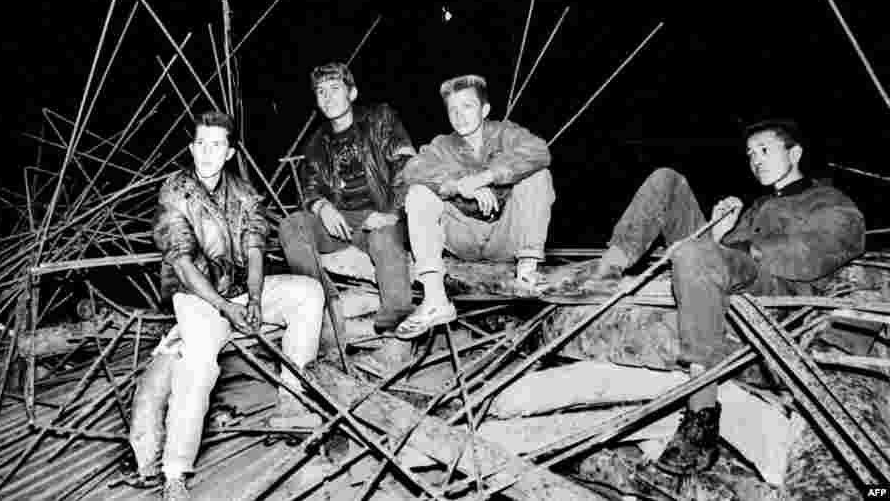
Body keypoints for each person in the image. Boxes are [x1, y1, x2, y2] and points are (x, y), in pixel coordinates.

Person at [589, 118, 864, 474]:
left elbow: (837, 240)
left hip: (776, 294)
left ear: (794, 153)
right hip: (727, 273)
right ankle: (609, 267)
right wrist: (719, 233)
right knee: (667, 180)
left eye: (765, 150)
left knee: (693, 253)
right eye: (751, 154)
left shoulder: (827, 200)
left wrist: (743, 247)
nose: (756, 160)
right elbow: (718, 260)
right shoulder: (759, 205)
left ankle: (702, 410)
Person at [128, 111, 325, 501]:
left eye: (216, 144)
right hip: (198, 297)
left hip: (238, 292)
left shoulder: (245, 194)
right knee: (198, 362)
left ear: (229, 152)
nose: (207, 152)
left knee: (308, 292)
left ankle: (291, 401)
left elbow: (254, 251)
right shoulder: (175, 192)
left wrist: (253, 298)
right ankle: (175, 474)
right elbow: (182, 265)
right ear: (191, 147)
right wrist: (225, 308)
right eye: (200, 143)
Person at [396, 74, 555, 339]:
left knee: (539, 175)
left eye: (467, 106)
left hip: (506, 237)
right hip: (463, 238)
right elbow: (412, 169)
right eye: (453, 109)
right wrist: (459, 184)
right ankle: (435, 299)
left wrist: (486, 177)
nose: (460, 115)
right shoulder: (442, 145)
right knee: (418, 193)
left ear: (485, 110)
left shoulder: (506, 133)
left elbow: (539, 151)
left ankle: (528, 271)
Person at [279, 63, 417, 352]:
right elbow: (308, 189)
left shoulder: (380, 120)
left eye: (335, 89)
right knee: (292, 226)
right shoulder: (317, 143)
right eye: (321, 92)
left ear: (352, 93)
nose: (327, 98)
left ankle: (398, 315)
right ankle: (325, 303)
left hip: (386, 213)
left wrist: (392, 213)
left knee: (383, 234)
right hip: (345, 222)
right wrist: (320, 206)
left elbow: (407, 166)